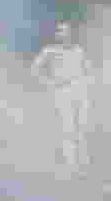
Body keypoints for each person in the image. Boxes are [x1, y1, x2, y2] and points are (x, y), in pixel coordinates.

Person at [32, 21, 90, 171]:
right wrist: (49, 83)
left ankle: (83, 161)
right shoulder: (49, 52)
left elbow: (87, 69)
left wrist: (86, 85)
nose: (65, 34)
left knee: (82, 127)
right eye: (61, 31)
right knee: (67, 128)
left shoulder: (79, 51)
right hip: (62, 92)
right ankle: (70, 164)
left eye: (67, 31)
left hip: (80, 91)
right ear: (57, 35)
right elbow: (34, 70)